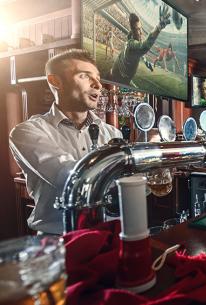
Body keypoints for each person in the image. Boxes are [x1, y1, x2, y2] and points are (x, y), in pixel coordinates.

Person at [9, 49, 122, 234]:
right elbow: (69, 177)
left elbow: (133, 185)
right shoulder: (27, 132)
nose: (98, 85)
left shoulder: (112, 133)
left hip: (108, 236)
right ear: (55, 81)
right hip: (58, 242)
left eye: (98, 78)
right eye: (85, 76)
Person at [110, 7, 171, 86]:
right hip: (119, 80)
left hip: (118, 74)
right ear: (133, 31)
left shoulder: (130, 39)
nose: (141, 32)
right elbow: (144, 46)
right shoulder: (131, 44)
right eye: (138, 29)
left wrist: (146, 63)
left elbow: (139, 53)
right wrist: (158, 27)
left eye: (140, 28)